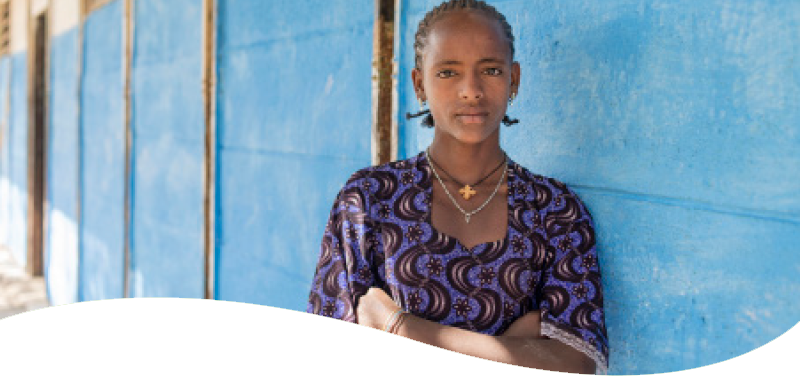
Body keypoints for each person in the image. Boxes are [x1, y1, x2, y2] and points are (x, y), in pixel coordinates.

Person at [306, 0, 608, 374]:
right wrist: (516, 347)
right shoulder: (369, 201)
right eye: (448, 72)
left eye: (491, 70)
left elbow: (575, 365)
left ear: (514, 79)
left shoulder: (555, 210)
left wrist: (399, 326)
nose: (471, 90)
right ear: (419, 84)